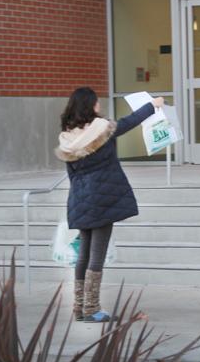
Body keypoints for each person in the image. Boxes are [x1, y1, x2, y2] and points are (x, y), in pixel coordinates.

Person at [55, 87, 163, 322]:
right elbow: (129, 122)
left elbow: (71, 175)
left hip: (80, 198)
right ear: (89, 105)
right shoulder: (101, 129)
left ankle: (79, 307)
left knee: (83, 255)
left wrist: (79, 196)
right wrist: (152, 105)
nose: (99, 106)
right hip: (103, 197)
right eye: (96, 103)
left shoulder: (68, 138)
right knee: (96, 256)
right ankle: (92, 309)